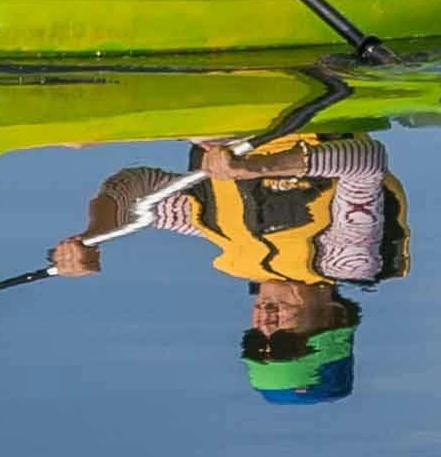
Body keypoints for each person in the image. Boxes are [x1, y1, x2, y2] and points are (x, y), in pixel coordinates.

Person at [45, 131, 408, 404]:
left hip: (213, 122)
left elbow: (132, 188)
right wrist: (253, 167)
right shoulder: (344, 259)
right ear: (331, 321)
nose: (265, 327)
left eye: (254, 342)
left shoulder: (225, 235)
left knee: (77, 139)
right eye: (283, 342)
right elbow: (366, 160)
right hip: (303, 105)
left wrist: (92, 237)